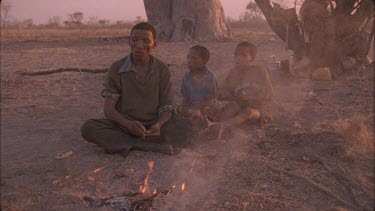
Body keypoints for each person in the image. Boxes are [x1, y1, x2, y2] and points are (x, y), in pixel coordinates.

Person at [81, 22, 175, 157]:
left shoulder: (162, 69)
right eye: (135, 40)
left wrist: (159, 124)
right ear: (129, 42)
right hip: (125, 126)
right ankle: (142, 145)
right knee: (89, 128)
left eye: (146, 41)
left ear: (154, 44)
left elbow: (167, 105)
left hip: (154, 126)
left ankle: (127, 143)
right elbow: (109, 109)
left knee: (188, 126)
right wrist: (128, 124)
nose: (139, 45)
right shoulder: (117, 68)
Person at [211, 41, 273, 134]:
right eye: (236, 55)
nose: (238, 58)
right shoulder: (233, 73)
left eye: (243, 55)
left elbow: (267, 97)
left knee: (248, 112)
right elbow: (225, 92)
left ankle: (221, 126)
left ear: (252, 58)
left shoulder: (260, 72)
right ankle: (219, 126)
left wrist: (249, 98)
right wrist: (221, 94)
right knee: (231, 107)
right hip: (239, 107)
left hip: (258, 110)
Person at [180, 45, 218, 129]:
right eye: (188, 57)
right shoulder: (186, 76)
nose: (189, 61)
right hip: (192, 108)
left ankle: (206, 124)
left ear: (204, 61)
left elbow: (210, 100)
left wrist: (197, 108)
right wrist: (184, 109)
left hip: (206, 108)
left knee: (201, 116)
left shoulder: (210, 76)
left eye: (194, 58)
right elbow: (185, 98)